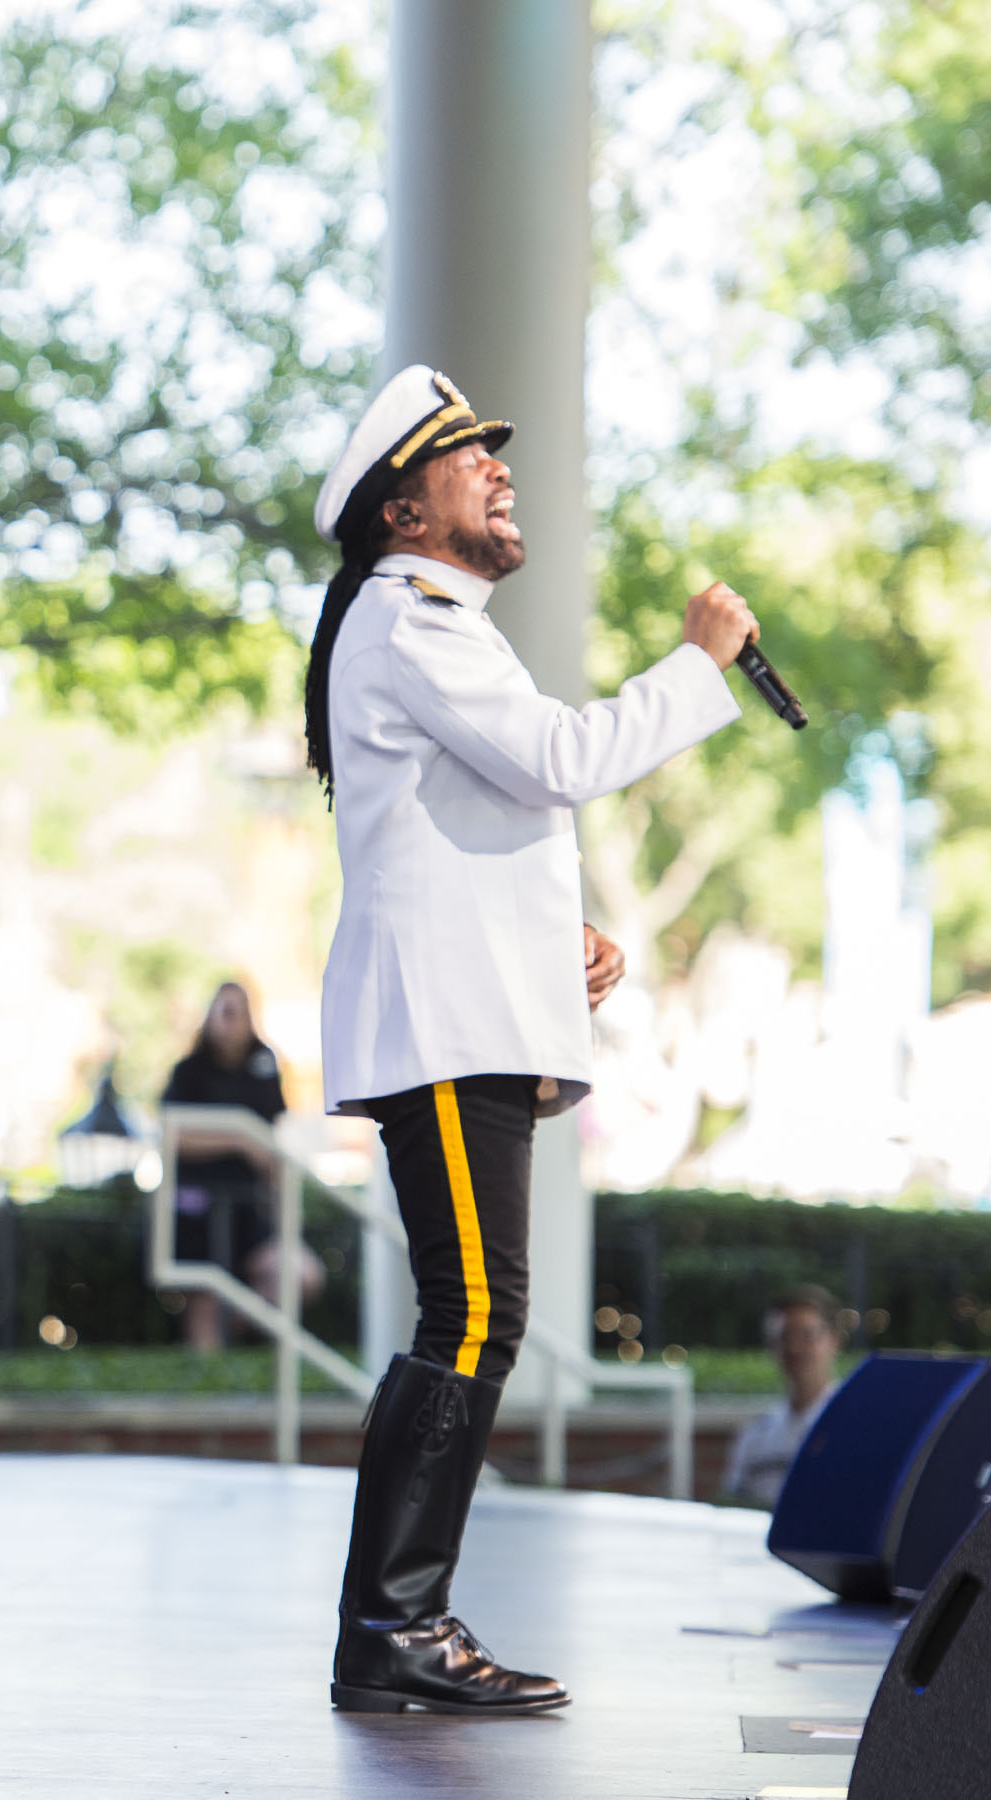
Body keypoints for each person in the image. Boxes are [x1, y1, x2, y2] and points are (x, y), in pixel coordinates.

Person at [309, 364, 753, 1717]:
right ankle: (393, 1626)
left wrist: (558, 941)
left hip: (470, 1017)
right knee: (477, 1314)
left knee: (478, 1315)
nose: (501, 470)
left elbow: (466, 822)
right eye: (468, 457)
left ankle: (400, 1626)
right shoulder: (409, 615)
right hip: (443, 1033)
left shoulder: (428, 622)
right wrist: (701, 663)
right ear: (402, 510)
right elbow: (562, 757)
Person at [162, 981, 294, 1351]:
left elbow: (274, 1138)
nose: (229, 1020)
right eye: (223, 1010)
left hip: (248, 1211)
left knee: (294, 1274)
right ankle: (208, 1383)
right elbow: (172, 1134)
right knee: (204, 1295)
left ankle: (230, 1337)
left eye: (237, 1012)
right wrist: (237, 1138)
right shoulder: (189, 1071)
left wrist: (276, 1191)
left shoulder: (263, 1067)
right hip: (197, 1211)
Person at [720, 1286, 846, 1509]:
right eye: (784, 1336)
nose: (794, 1348)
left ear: (834, 1341)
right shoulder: (754, 1436)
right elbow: (734, 1508)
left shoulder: (854, 1427)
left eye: (807, 1336)